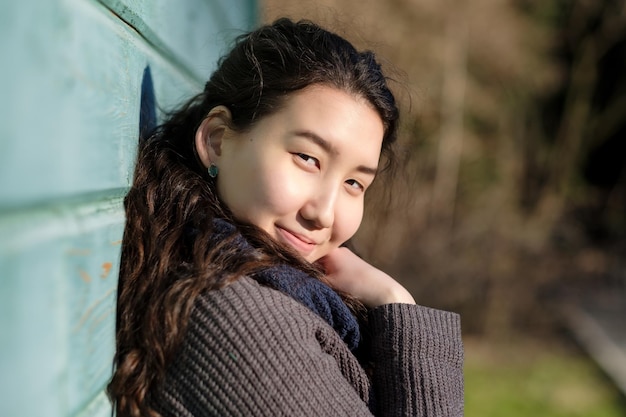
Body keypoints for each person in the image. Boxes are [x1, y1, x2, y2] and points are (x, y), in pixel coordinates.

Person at [107, 17, 463, 417]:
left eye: (354, 183)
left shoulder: (278, 285)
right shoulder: (241, 320)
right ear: (217, 141)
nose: (323, 214)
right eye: (307, 158)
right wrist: (401, 311)